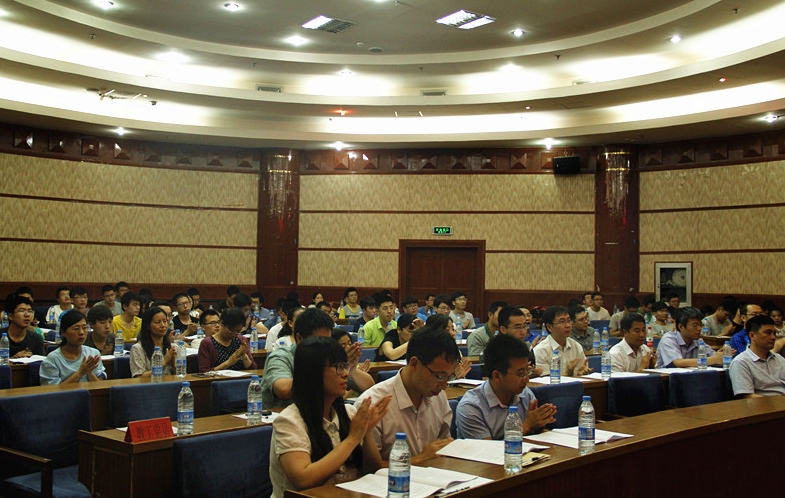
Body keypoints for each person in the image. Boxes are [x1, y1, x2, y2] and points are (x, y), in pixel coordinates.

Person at [270, 336, 390, 497]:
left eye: (345, 366)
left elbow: (373, 472)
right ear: (313, 373)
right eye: (338, 367)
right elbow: (303, 480)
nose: (346, 374)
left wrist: (366, 431)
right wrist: (353, 437)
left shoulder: (349, 413)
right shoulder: (289, 421)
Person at [355, 326, 458, 463]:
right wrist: (418, 459)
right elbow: (366, 468)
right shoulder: (373, 404)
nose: (444, 386)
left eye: (449, 377)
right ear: (414, 363)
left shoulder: (439, 397)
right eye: (439, 376)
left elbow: (444, 448)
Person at [262, 308, 371, 409]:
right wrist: (322, 369)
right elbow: (284, 391)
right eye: (318, 340)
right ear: (299, 338)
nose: (324, 345)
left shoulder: (329, 356)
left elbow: (368, 387)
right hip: (283, 418)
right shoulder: (280, 357)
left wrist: (350, 367)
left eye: (328, 340)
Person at [456, 334, 556, 439]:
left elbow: (537, 434)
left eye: (528, 371)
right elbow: (487, 448)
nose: (526, 379)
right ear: (497, 376)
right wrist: (527, 426)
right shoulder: (471, 408)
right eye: (520, 374)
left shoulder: (525, 395)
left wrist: (540, 424)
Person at [40, 310, 106, 384]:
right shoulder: (53, 359)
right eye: (76, 328)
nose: (81, 332)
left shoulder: (93, 353)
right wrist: (80, 372)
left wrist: (89, 373)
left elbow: (100, 386)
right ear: (63, 332)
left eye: (84, 328)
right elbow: (53, 390)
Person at [729, 315, 785, 397]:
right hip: (763, 403)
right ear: (752, 335)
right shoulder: (741, 362)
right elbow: (747, 396)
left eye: (774, 333)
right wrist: (778, 402)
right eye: (768, 333)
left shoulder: (779, 359)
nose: (773, 337)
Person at [656, 307, 724, 368]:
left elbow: (715, 357)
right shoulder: (668, 339)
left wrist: (721, 355)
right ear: (681, 327)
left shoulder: (698, 341)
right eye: (695, 325)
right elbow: (678, 362)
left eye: (701, 325)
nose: (700, 328)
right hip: (668, 377)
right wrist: (714, 360)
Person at [533, 305, 592, 377]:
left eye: (569, 321)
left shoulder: (576, 346)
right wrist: (569, 373)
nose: (568, 325)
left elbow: (582, 370)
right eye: (562, 322)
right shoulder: (540, 351)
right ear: (549, 327)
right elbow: (546, 381)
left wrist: (581, 374)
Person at [198, 308, 257, 372]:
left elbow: (253, 368)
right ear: (222, 324)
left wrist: (244, 356)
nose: (234, 334)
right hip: (218, 378)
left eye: (238, 331)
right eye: (231, 331)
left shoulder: (241, 340)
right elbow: (204, 372)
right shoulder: (207, 343)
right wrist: (228, 363)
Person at [130, 306, 175, 377]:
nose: (163, 325)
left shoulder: (173, 347)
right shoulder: (137, 349)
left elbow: (180, 375)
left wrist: (174, 364)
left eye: (165, 321)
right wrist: (164, 363)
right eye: (158, 322)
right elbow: (139, 378)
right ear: (148, 326)